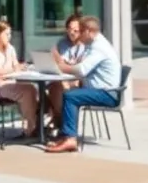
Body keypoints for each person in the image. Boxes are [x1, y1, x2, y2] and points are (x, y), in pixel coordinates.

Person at [45, 15, 122, 153]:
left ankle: (70, 138)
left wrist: (60, 67)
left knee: (70, 96)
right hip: (97, 89)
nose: (78, 34)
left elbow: (81, 70)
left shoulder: (99, 47)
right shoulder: (92, 44)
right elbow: (79, 65)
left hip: (106, 93)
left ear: (88, 31)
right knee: (59, 90)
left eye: (80, 31)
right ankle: (64, 132)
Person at [0, 19, 39, 137]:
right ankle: (30, 128)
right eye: (6, 34)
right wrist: (14, 69)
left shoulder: (10, 48)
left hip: (10, 84)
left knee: (34, 88)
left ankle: (38, 124)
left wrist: (22, 68)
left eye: (10, 34)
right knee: (26, 91)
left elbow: (16, 65)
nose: (9, 37)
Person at [47, 14, 85, 123]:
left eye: (75, 30)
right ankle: (59, 119)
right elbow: (57, 61)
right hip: (62, 79)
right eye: (69, 29)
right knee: (52, 87)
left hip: (78, 81)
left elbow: (79, 68)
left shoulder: (85, 45)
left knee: (59, 88)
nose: (72, 33)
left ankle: (59, 120)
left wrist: (62, 63)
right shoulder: (62, 43)